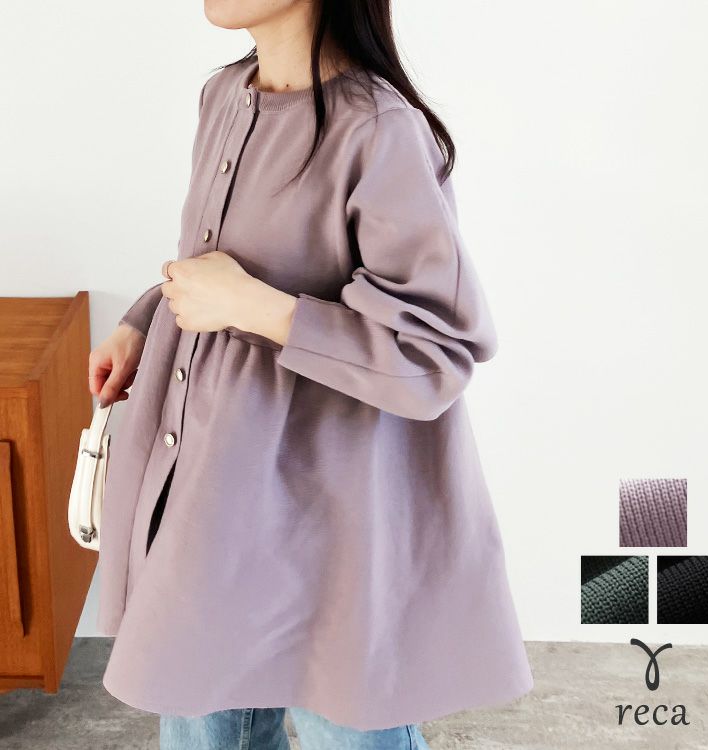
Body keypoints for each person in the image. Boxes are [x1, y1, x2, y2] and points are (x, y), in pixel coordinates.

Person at [88, 1, 534, 748]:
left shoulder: (379, 131)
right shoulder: (224, 95)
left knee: (346, 725)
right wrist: (145, 317)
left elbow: (435, 352)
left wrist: (259, 309)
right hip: (211, 497)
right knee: (200, 716)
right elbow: (224, 265)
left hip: (330, 526)